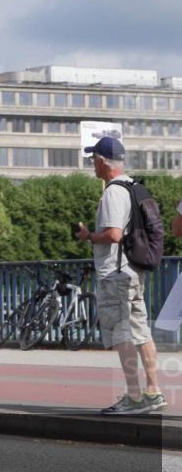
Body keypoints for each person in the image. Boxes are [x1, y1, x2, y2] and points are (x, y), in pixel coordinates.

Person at [76, 137, 167, 414]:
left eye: (94, 159)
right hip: (132, 271)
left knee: (121, 333)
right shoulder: (133, 187)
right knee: (141, 331)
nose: (92, 164)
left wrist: (89, 236)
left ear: (103, 162)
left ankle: (134, 396)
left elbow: (114, 234)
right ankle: (153, 391)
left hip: (115, 274)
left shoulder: (113, 193)